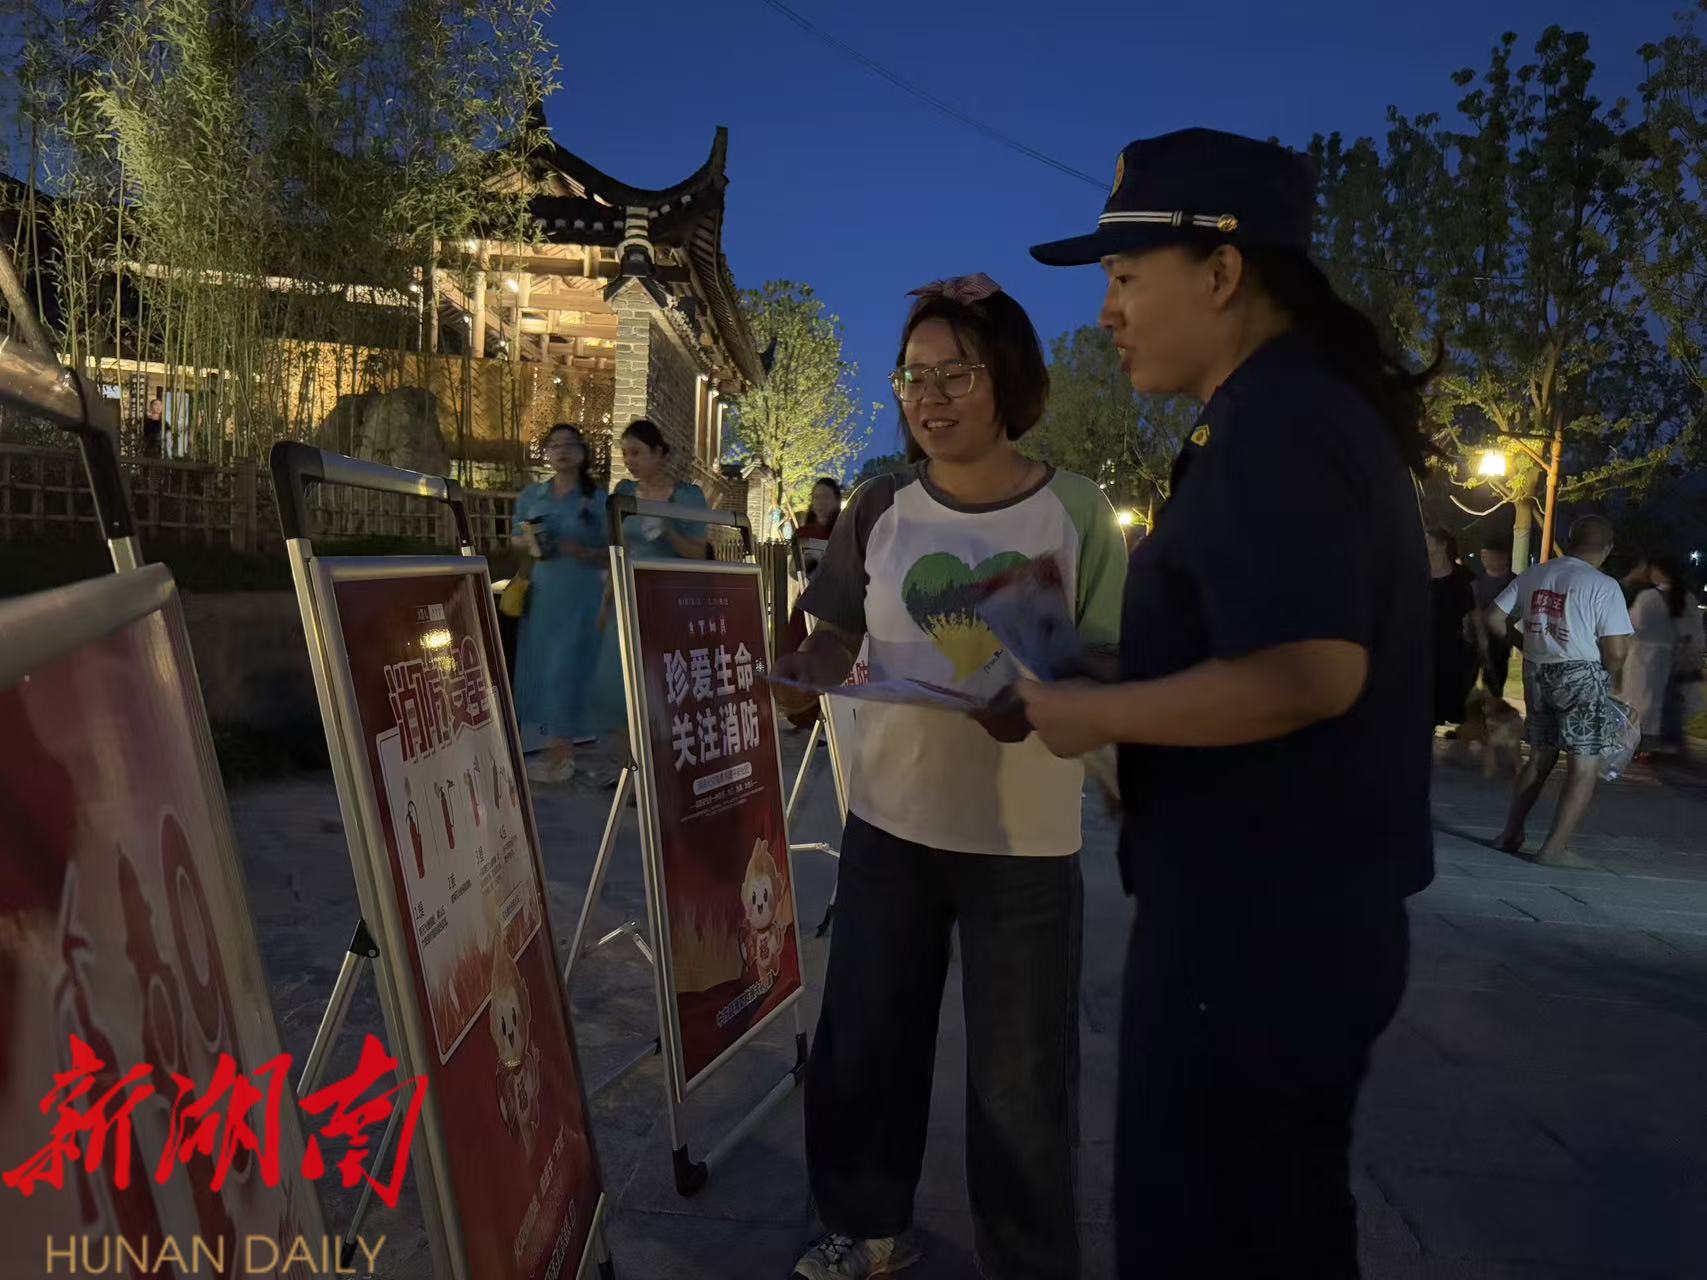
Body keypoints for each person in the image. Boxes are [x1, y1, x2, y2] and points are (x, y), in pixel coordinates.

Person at [1019, 127, 1435, 1278]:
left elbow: (1313, 671)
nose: (1108, 312)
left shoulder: (1283, 421)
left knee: (1212, 1234)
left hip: (1261, 931)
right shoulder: (1278, 412)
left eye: (1123, 276)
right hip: (1271, 916)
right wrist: (1110, 684)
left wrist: (1101, 719)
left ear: (1221, 270)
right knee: (1270, 1224)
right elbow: (1251, 646)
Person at [772, 273, 1126, 1280]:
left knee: (1020, 1075)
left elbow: (1107, 663)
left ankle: (1027, 1259)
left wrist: (1050, 696)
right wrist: (800, 675)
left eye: (955, 373)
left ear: (1006, 378)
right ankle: (868, 1225)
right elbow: (833, 631)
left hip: (1024, 840)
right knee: (866, 1040)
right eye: (912, 376)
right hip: (889, 821)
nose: (928, 396)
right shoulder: (879, 505)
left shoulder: (1076, 510)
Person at [1489, 515, 1633, 865]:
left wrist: (1524, 645)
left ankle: (1511, 833)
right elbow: (1616, 651)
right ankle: (1554, 849)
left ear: (1570, 541)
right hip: (1582, 675)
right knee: (1583, 764)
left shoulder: (1536, 574)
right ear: (1608, 548)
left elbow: (1492, 618)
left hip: (1537, 671)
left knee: (1540, 756)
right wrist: (1607, 678)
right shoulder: (1604, 586)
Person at [511, 424, 622, 783]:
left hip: (582, 594)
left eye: (568, 444)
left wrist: (583, 552)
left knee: (570, 670)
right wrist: (532, 540)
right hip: (544, 593)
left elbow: (615, 550)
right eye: (554, 445)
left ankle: (562, 755)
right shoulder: (533, 495)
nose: (560, 451)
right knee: (545, 670)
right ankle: (560, 751)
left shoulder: (598, 500)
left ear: (582, 451)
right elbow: (514, 538)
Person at [1624, 553, 1705, 757]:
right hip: (1673, 658)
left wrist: (1628, 581)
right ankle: (1667, 746)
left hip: (1645, 659)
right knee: (1666, 704)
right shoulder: (1688, 598)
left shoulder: (1648, 598)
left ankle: (1645, 749)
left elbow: (1630, 626)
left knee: (1643, 705)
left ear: (1657, 571)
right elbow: (1695, 634)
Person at [611, 418, 709, 560]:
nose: (628, 460)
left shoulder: (688, 496)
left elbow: (699, 554)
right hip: (629, 572)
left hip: (669, 573)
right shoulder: (624, 491)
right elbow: (613, 543)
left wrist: (669, 533)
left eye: (635, 453)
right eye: (624, 453)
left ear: (657, 452)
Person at [1427, 528, 1477, 728]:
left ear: (1442, 544)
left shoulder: (1463, 577)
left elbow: (1474, 612)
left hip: (1453, 646)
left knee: (1451, 695)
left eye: (1428, 540)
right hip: (1422, 644)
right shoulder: (1416, 573)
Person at [1473, 537, 1516, 696]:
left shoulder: (1514, 583)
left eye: (1489, 555)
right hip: (1472, 641)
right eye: (1483, 555)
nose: (1485, 559)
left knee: (1494, 687)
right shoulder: (1474, 579)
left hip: (1499, 644)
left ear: (1503, 557)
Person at [143, 388, 165, 458]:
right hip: (148, 451)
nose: (158, 407)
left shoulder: (165, 424)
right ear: (151, 407)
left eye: (160, 405)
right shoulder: (146, 422)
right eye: (155, 404)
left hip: (160, 452)